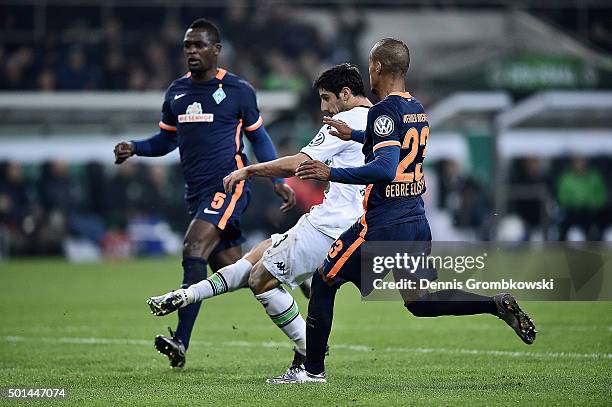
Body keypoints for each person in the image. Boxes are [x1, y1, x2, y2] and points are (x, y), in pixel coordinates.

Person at [271, 38, 537, 384]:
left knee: (324, 281)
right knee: (420, 301)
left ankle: (312, 372)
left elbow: (384, 169)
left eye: (370, 66)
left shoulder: (383, 110)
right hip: (415, 221)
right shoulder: (416, 107)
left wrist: (331, 172)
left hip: (383, 224)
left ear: (378, 67)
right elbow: (394, 143)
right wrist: (354, 135)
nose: (369, 72)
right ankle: (494, 304)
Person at [146, 63, 371, 373]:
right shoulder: (382, 122)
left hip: (330, 227)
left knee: (260, 280)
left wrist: (249, 170)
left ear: (345, 95)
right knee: (257, 256)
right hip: (362, 228)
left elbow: (296, 164)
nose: (323, 107)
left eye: (325, 98)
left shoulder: (342, 122)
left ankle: (311, 351)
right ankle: (187, 294)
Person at [113, 18, 295, 368]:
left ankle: (180, 340)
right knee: (235, 270)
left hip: (229, 185)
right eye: (187, 46)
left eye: (199, 45)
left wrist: (277, 180)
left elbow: (259, 137)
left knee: (193, 246)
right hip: (197, 194)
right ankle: (289, 269)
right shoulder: (176, 93)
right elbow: (166, 139)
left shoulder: (239, 91)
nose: (192, 51)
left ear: (216, 50)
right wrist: (134, 147)